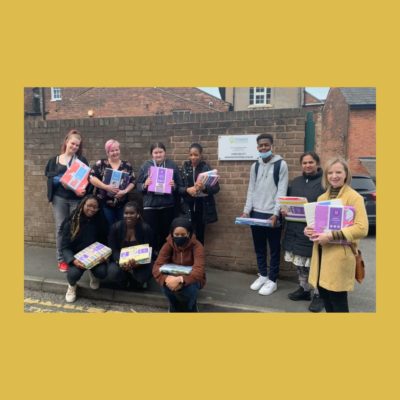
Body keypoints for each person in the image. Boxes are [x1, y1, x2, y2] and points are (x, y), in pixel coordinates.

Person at [304, 157, 369, 312]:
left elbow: (362, 228)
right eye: (330, 173)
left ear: (346, 174)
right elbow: (319, 227)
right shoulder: (322, 198)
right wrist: (309, 230)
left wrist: (331, 236)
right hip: (321, 257)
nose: (334, 176)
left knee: (338, 304)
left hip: (339, 259)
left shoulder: (354, 197)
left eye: (338, 172)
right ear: (326, 176)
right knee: (326, 301)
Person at [242, 133, 288, 296]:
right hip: (256, 213)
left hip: (272, 215)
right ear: (257, 147)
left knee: (274, 249)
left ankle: (272, 280)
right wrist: (247, 210)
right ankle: (262, 275)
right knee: (259, 247)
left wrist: (276, 213)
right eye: (261, 145)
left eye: (266, 145)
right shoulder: (255, 166)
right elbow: (251, 189)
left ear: (271, 145)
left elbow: (281, 191)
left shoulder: (280, 165)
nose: (263, 148)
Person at [281, 152, 325, 312]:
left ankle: (319, 295)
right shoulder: (296, 181)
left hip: (312, 231)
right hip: (294, 230)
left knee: (315, 265)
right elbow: (289, 203)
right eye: (304, 163)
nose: (307, 165)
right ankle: (304, 289)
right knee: (300, 265)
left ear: (317, 163)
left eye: (311, 162)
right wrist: (285, 210)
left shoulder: (324, 182)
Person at [45, 129, 88, 273]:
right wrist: (63, 181)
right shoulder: (55, 160)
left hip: (76, 199)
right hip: (60, 199)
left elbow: (85, 180)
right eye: (72, 143)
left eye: (77, 145)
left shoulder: (81, 161)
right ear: (66, 142)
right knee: (60, 229)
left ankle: (74, 257)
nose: (74, 147)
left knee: (75, 228)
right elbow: (51, 179)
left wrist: (81, 189)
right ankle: (61, 260)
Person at [60, 195, 109, 303]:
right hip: (77, 257)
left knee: (102, 272)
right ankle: (72, 286)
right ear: (83, 205)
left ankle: (93, 274)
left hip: (95, 257)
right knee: (73, 274)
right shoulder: (71, 222)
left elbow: (104, 243)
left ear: (98, 209)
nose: (91, 209)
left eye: (95, 207)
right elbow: (65, 247)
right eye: (89, 206)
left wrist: (104, 256)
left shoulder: (100, 222)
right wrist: (73, 260)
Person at [136, 142, 183, 254]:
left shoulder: (172, 165)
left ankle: (165, 257)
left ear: (164, 153)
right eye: (155, 152)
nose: (158, 155)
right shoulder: (146, 165)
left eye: (160, 152)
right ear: (152, 154)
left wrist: (174, 185)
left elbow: (180, 186)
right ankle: (152, 259)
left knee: (165, 234)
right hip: (150, 207)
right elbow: (137, 186)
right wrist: (145, 184)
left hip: (167, 206)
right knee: (150, 233)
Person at [153, 217, 206, 312]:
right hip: (172, 277)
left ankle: (191, 307)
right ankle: (173, 307)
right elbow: (156, 267)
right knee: (165, 286)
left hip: (190, 278)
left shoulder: (197, 246)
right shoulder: (168, 245)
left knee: (190, 289)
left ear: (189, 234)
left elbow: (199, 271)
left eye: (183, 234)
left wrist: (181, 280)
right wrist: (167, 279)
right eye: (176, 234)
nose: (179, 237)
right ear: (172, 234)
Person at [107, 201, 155, 290]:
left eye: (132, 213)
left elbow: (150, 250)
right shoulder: (115, 227)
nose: (128, 216)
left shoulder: (146, 228)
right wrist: (120, 261)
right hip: (121, 261)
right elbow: (113, 249)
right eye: (126, 213)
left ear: (138, 214)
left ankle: (137, 282)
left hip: (140, 262)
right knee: (112, 272)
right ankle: (123, 281)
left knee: (141, 278)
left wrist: (138, 263)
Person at [179, 143, 220, 245]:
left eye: (196, 155)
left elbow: (216, 188)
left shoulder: (206, 168)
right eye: (191, 155)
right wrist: (187, 190)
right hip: (187, 208)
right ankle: (188, 259)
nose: (193, 157)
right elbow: (178, 188)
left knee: (200, 236)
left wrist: (204, 188)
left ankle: (198, 259)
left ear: (201, 155)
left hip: (202, 208)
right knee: (187, 235)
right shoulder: (184, 168)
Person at [89, 139, 135, 227]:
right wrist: (106, 187)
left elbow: (133, 181)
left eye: (117, 150)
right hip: (105, 204)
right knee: (108, 227)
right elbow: (91, 177)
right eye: (112, 151)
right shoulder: (101, 164)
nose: (115, 152)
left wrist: (125, 191)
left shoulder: (127, 165)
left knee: (122, 228)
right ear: (107, 152)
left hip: (122, 204)